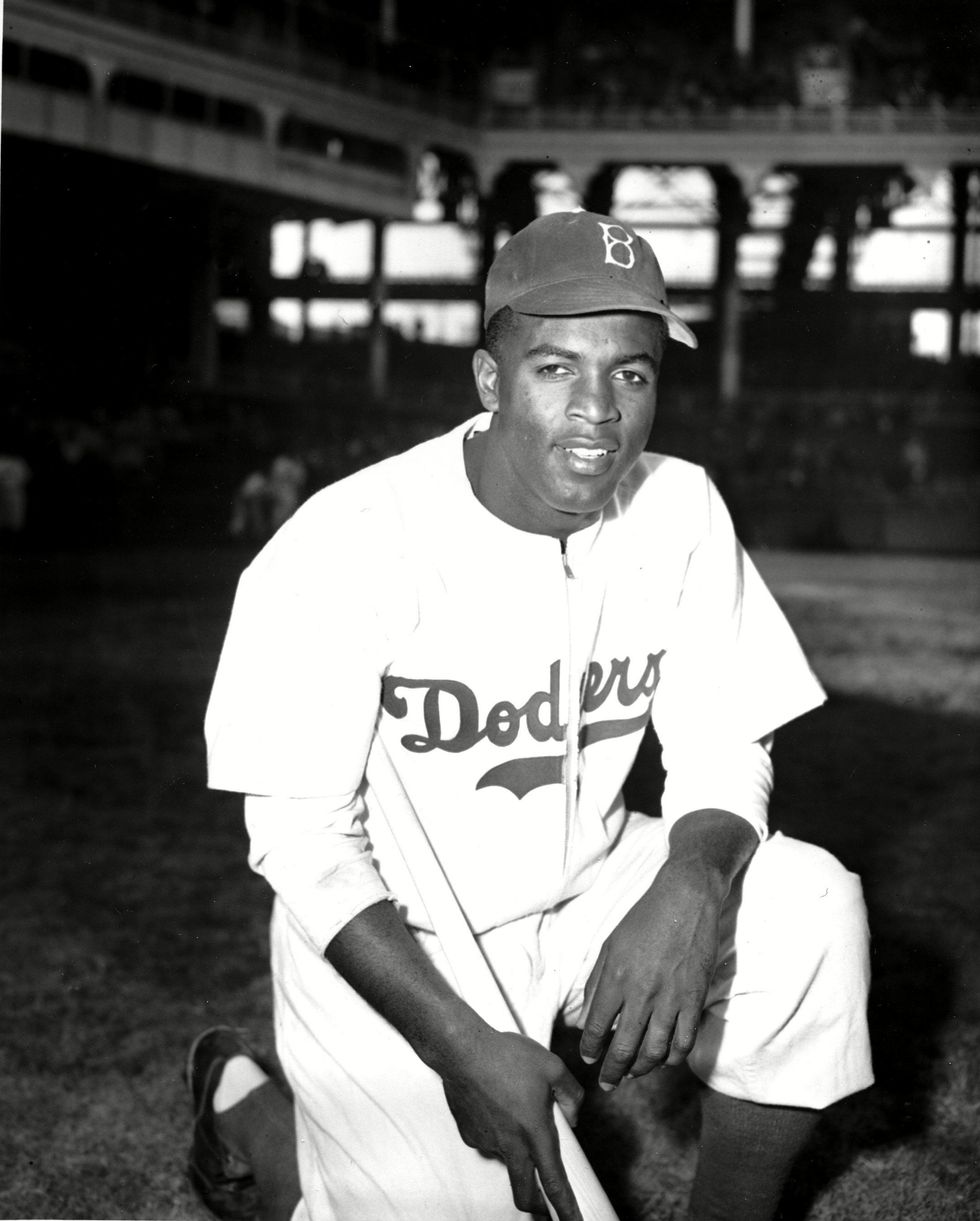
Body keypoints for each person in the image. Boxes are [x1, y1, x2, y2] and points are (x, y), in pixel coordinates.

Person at [192, 210, 873, 1221]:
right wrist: (460, 1047)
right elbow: (299, 842)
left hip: (591, 888)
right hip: (403, 937)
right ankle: (248, 1111)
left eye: (631, 373)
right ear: (489, 381)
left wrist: (688, 881)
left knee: (808, 905)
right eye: (555, 367)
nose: (598, 410)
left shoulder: (679, 505)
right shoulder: (345, 542)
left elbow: (724, 737)